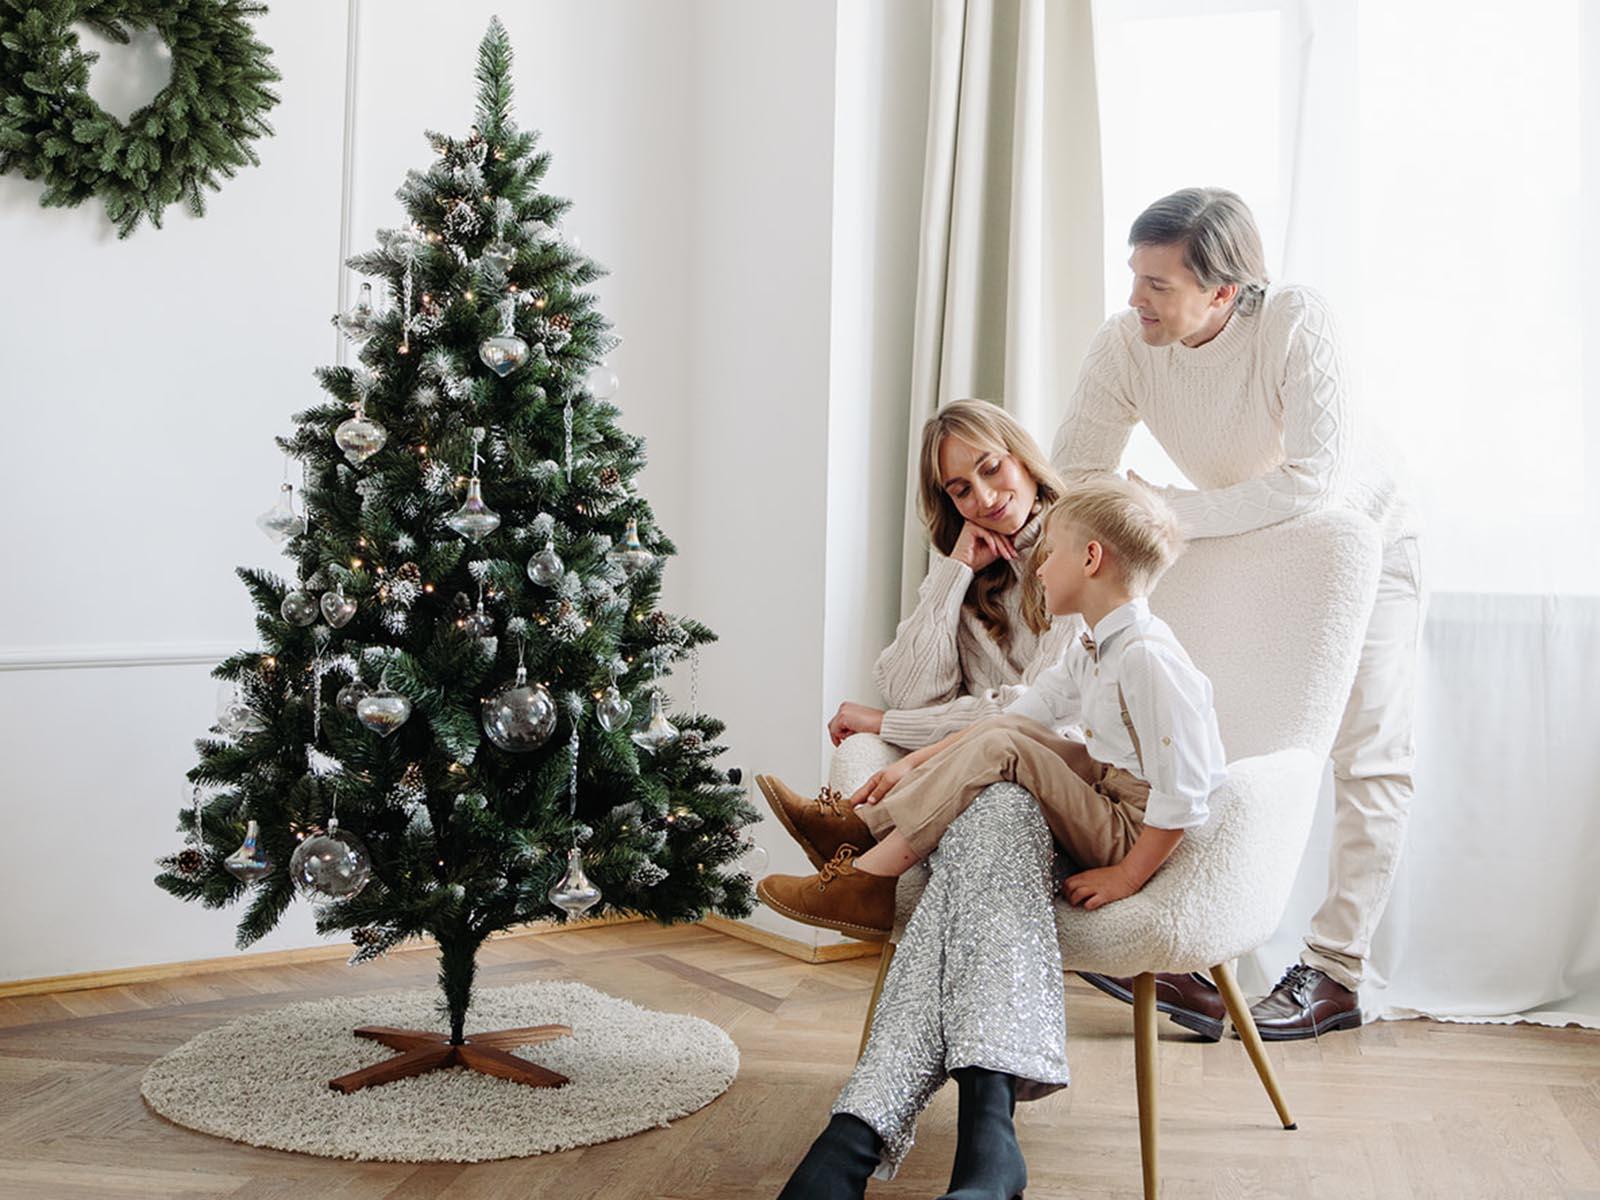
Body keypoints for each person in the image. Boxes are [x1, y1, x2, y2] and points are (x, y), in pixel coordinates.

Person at [1056, 187, 1422, 1040]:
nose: (1137, 300)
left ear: (1225, 292)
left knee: (1367, 755)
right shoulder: (1127, 343)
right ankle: (1186, 947)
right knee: (1215, 734)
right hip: (1246, 534)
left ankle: (1336, 973)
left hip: (1363, 537)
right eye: (1134, 277)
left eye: (1159, 285)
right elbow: (1076, 469)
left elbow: (1312, 484)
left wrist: (1165, 511)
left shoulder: (1296, 319)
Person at [757, 477, 1226, 940]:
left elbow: (1183, 794)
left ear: (1090, 559)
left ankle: (869, 880)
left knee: (1007, 744)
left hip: (1132, 829)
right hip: (1107, 787)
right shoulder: (1093, 647)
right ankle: (858, 828)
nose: (1039, 570)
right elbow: (1016, 721)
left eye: (1050, 553)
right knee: (1006, 732)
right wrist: (914, 764)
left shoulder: (1146, 657)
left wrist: (1125, 877)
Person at [758, 398, 1080, 849]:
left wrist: (886, 724)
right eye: (961, 490)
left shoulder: (1079, 554)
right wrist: (956, 571)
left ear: (1022, 457)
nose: (984, 499)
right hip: (988, 764)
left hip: (1061, 768)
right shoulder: (971, 570)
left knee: (986, 797)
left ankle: (857, 841)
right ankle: (857, 860)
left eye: (991, 468)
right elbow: (909, 691)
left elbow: (1035, 712)